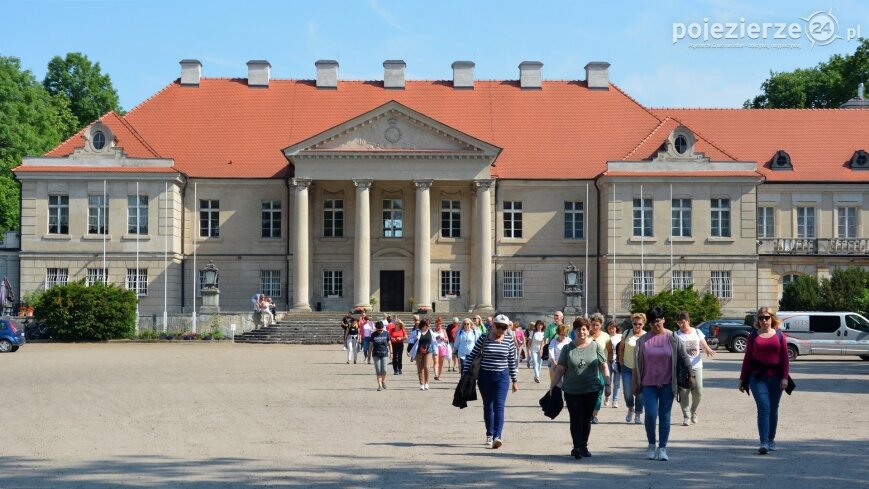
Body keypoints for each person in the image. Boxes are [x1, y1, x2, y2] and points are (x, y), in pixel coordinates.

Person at [632, 307, 693, 462]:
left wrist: (691, 374)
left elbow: (684, 357)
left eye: (658, 320)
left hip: (668, 383)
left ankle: (662, 448)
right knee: (651, 415)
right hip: (648, 383)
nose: (655, 324)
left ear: (664, 319)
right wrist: (635, 383)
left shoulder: (672, 338)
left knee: (665, 416)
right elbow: (636, 365)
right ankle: (652, 445)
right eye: (652, 321)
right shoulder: (642, 341)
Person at [549, 317, 611, 459]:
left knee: (586, 418)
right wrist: (552, 386)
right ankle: (576, 446)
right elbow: (560, 369)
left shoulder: (596, 346)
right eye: (578, 329)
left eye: (584, 329)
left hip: (591, 389)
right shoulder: (567, 348)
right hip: (572, 390)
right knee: (575, 417)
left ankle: (583, 445)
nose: (581, 332)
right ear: (574, 331)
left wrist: (607, 384)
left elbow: (604, 366)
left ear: (588, 330)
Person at [462, 314, 519, 449]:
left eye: (503, 328)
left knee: (499, 405)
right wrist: (465, 374)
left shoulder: (509, 341)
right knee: (488, 405)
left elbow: (512, 361)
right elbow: (473, 355)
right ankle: (489, 433)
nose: (500, 330)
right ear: (493, 325)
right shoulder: (484, 338)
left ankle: (497, 436)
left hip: (502, 377)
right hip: (485, 376)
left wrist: (515, 380)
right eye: (498, 326)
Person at [739, 307, 789, 455]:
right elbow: (747, 358)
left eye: (767, 317)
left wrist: (785, 377)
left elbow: (785, 358)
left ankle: (771, 438)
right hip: (757, 377)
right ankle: (764, 442)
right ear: (758, 320)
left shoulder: (780, 335)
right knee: (764, 407)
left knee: (773, 408)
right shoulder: (753, 336)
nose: (764, 320)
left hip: (776, 377)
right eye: (761, 318)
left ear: (772, 318)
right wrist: (742, 379)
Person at [675, 311, 715, 426]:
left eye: (683, 322)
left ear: (688, 321)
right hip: (683, 368)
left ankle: (693, 410)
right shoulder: (676, 335)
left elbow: (703, 344)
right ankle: (686, 415)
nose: (681, 325)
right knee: (684, 392)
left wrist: (707, 349)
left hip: (696, 366)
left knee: (698, 390)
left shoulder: (697, 332)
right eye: (679, 323)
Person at [618, 313, 646, 424]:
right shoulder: (626, 333)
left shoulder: (646, 335)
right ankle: (630, 408)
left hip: (641, 369)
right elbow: (621, 348)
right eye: (635, 323)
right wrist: (620, 362)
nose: (637, 326)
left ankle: (638, 414)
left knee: (639, 392)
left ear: (644, 324)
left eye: (640, 324)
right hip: (627, 367)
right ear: (632, 323)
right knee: (627, 392)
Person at [588, 313, 612, 424]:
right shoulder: (586, 335)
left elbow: (610, 351)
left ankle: (594, 415)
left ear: (601, 325)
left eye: (597, 325)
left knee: (599, 391)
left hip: (601, 367)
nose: (594, 327)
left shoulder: (606, 336)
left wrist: (609, 363)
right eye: (593, 324)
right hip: (587, 368)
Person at [408, 318, 434, 390]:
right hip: (418, 351)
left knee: (427, 367)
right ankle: (421, 383)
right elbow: (410, 340)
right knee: (420, 367)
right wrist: (415, 339)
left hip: (429, 351)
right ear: (423, 325)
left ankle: (427, 383)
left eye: (429, 324)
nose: (429, 326)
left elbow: (434, 342)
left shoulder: (430, 332)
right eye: (427, 324)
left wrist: (435, 352)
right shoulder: (416, 332)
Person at [368, 321, 392, 391]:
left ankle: (383, 380)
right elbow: (370, 346)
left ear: (382, 328)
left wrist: (391, 353)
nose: (379, 331)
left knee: (384, 370)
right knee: (378, 370)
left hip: (384, 353)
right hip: (376, 354)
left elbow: (390, 344)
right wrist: (369, 356)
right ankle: (380, 386)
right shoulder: (373, 335)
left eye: (381, 330)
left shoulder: (386, 334)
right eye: (378, 330)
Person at [606, 322, 623, 409]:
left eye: (613, 328)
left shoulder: (620, 336)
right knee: (608, 381)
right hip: (608, 361)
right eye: (609, 328)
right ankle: (607, 396)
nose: (611, 330)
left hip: (618, 361)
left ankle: (615, 401)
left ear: (616, 328)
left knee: (617, 383)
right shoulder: (606, 337)